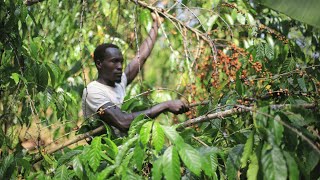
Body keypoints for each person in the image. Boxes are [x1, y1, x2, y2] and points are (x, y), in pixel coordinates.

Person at [81, 13, 189, 137]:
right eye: (114, 61)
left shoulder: (118, 83)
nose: (120, 66)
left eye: (121, 61)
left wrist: (156, 24)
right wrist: (165, 105)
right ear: (99, 64)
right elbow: (123, 122)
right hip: (103, 154)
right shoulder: (93, 91)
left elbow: (141, 57)